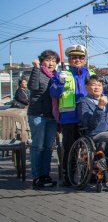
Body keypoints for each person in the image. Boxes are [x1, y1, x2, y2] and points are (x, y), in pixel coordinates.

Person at [50, 44, 95, 186]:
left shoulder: (91, 74)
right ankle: (68, 175)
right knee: (70, 148)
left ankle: (88, 174)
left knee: (90, 148)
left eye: (80, 57)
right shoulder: (62, 74)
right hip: (70, 117)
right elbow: (54, 93)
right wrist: (60, 82)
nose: (77, 60)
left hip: (88, 116)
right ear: (69, 59)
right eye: (74, 57)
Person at [28, 50, 60, 188]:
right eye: (47, 60)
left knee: (48, 147)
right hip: (38, 115)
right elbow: (33, 87)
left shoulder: (57, 76)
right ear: (41, 61)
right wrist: (35, 69)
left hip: (52, 116)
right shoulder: (38, 72)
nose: (50, 63)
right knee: (38, 147)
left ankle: (46, 175)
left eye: (53, 60)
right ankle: (37, 176)